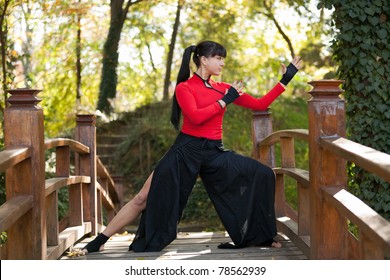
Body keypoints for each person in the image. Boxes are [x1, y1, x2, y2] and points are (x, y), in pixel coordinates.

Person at [82, 40, 302, 253]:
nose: (222, 63)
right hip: (185, 151)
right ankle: (101, 239)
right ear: (203, 60)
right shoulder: (184, 88)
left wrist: (286, 79)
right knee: (142, 198)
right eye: (218, 58)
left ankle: (260, 235)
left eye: (222, 59)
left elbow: (261, 104)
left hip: (214, 152)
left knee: (262, 174)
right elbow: (196, 117)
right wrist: (226, 100)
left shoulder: (224, 88)